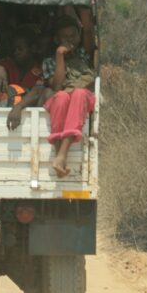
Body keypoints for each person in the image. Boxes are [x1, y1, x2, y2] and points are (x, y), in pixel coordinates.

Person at [41, 9, 96, 178]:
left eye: (73, 36)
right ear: (57, 40)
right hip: (64, 97)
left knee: (79, 93)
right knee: (61, 96)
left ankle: (61, 155)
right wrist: (59, 56)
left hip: (83, 97)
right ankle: (60, 157)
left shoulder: (83, 53)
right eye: (65, 37)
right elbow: (57, 86)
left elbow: (88, 30)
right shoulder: (50, 61)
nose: (70, 40)